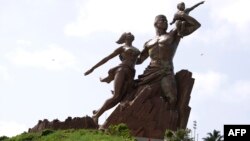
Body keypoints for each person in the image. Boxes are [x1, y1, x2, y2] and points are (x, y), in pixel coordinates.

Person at [135, 13, 201, 109]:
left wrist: (183, 15)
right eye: (162, 20)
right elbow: (139, 60)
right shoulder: (148, 43)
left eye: (166, 20)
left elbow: (196, 25)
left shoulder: (173, 34)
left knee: (172, 99)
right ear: (156, 23)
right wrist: (126, 57)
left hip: (166, 70)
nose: (165, 22)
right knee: (138, 96)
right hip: (150, 71)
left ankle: (165, 120)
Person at [84, 32, 140, 124]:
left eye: (131, 33)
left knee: (120, 99)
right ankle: (96, 115)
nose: (131, 34)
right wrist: (92, 68)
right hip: (122, 70)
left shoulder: (137, 50)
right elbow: (107, 58)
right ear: (124, 38)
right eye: (128, 34)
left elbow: (139, 61)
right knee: (116, 96)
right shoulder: (122, 48)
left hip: (131, 73)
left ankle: (98, 111)